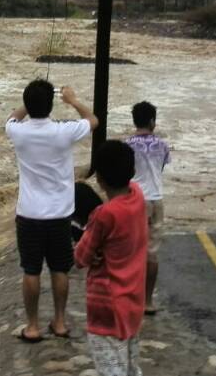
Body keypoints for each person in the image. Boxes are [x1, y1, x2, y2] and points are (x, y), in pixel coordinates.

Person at [6, 79, 99, 343]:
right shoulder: (64, 131)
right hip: (59, 214)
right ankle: (59, 322)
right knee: (59, 269)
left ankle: (32, 326)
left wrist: (29, 103)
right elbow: (93, 120)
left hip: (29, 214)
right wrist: (72, 100)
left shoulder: (17, 132)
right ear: (50, 106)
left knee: (31, 270)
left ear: (28, 104)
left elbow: (12, 118)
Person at [75, 140, 148, 376]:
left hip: (107, 307)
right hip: (133, 301)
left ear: (99, 178)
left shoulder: (104, 215)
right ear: (133, 171)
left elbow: (81, 258)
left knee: (111, 370)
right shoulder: (138, 196)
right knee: (131, 367)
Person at [126, 101, 170, 315]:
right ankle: (148, 301)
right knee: (151, 253)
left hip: (134, 199)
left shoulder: (127, 145)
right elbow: (160, 169)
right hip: (156, 198)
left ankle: (130, 297)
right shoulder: (162, 145)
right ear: (152, 121)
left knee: (131, 250)